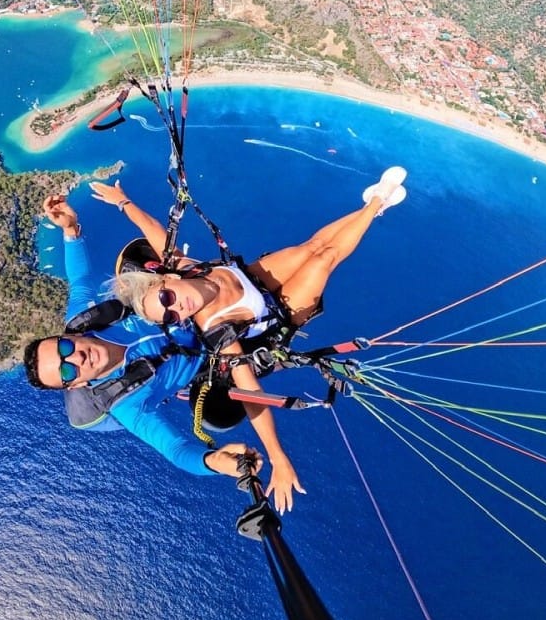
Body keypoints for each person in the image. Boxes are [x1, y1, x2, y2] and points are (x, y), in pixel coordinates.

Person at [91, 165, 408, 512]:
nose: (177, 308)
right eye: (170, 317)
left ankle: (371, 204)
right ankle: (377, 202)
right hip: (280, 314)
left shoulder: (184, 266)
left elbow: (152, 229)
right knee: (324, 259)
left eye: (167, 299)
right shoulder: (215, 328)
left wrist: (123, 201)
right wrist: (277, 457)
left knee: (313, 246)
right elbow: (251, 394)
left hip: (253, 280)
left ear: (168, 279)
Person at [22, 194, 261, 483]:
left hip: (184, 306)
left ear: (68, 336)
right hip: (210, 351)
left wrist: (70, 230)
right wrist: (214, 462)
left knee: (143, 266)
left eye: (64, 347)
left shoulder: (84, 320)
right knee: (220, 415)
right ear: (76, 385)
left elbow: (80, 279)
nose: (76, 357)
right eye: (67, 371)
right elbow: (175, 449)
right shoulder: (127, 405)